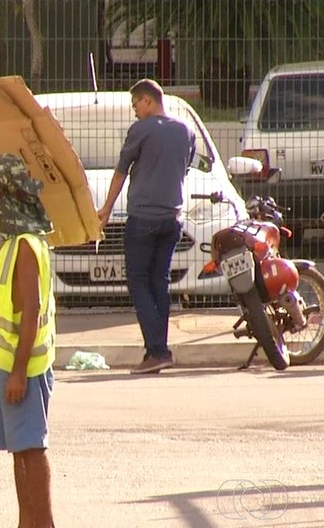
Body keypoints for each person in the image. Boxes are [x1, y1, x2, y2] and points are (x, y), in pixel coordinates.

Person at [0, 154, 62, 528]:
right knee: (18, 451)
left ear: (0, 194)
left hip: (22, 366)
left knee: (31, 447)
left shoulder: (25, 246)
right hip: (5, 363)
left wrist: (21, 372)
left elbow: (29, 315)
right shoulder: (9, 236)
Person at [96, 78, 195, 375]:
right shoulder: (186, 131)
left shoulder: (140, 130)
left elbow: (120, 172)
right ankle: (156, 350)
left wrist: (105, 210)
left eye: (136, 104)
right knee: (159, 283)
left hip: (143, 219)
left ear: (148, 100)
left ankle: (158, 350)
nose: (135, 111)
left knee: (138, 282)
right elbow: (184, 167)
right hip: (172, 220)